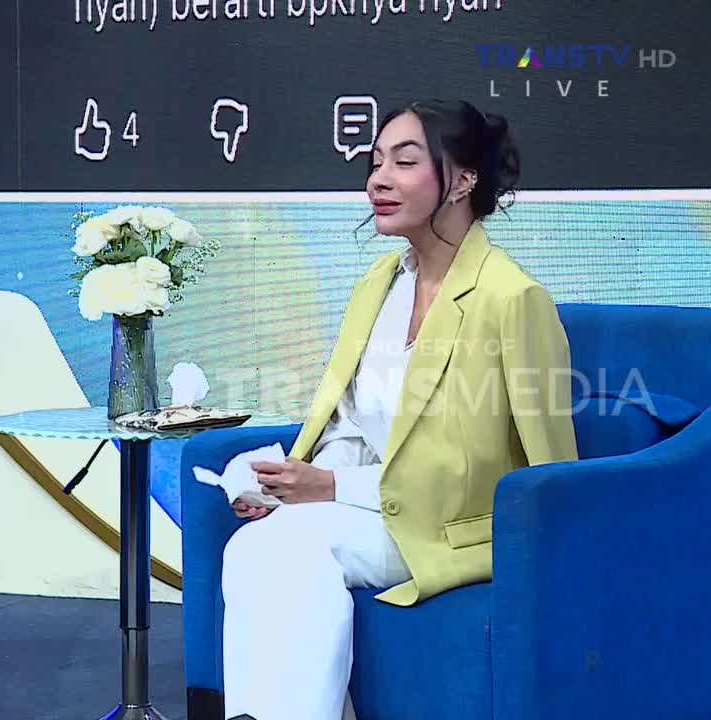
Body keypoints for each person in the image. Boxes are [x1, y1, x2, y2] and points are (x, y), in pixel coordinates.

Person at [219, 100, 579, 720]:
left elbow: (550, 471)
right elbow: (352, 422)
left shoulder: (512, 299)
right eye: (375, 161)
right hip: (370, 512)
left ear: (463, 180)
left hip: (453, 526)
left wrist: (329, 488)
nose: (378, 179)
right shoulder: (379, 284)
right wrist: (293, 482)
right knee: (257, 545)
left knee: (288, 546)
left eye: (404, 162)